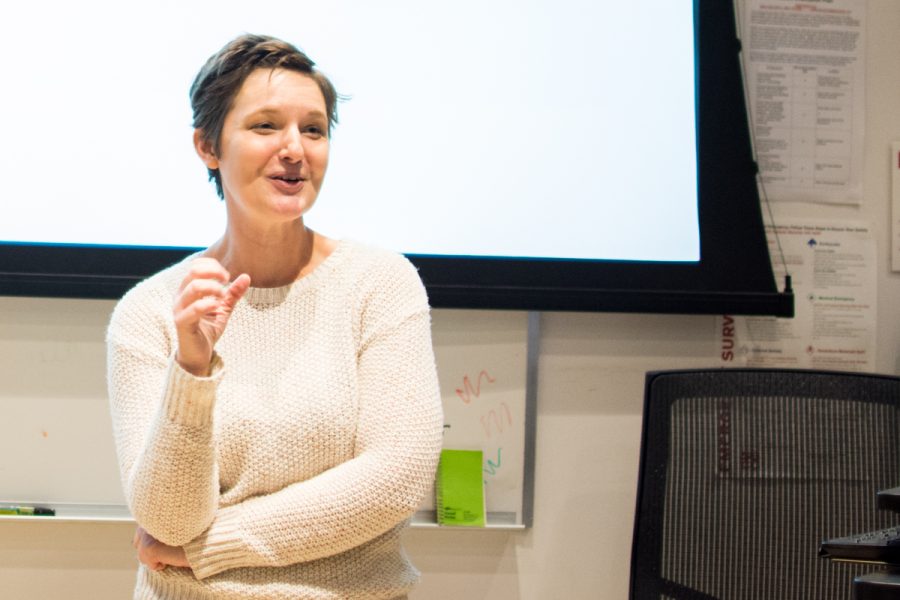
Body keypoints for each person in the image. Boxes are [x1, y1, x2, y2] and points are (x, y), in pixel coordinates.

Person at [106, 33, 444, 600]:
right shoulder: (151, 310)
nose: (295, 149)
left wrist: (211, 549)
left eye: (313, 129)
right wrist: (191, 366)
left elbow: (395, 477)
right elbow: (166, 524)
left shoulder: (380, 283)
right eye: (265, 126)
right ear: (208, 146)